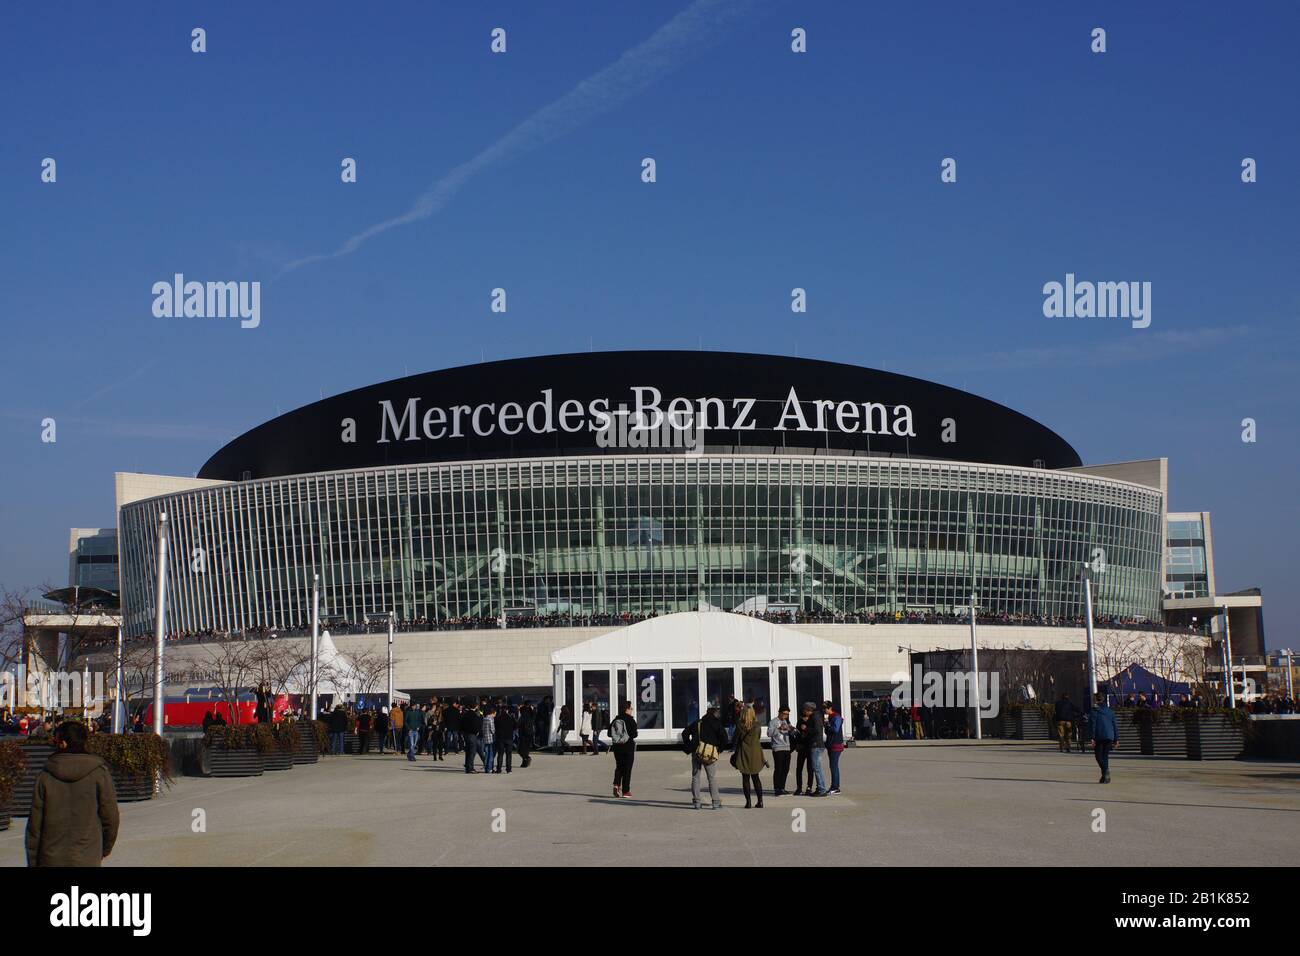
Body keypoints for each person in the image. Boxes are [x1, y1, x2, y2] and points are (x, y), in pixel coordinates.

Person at [25, 721, 120, 867]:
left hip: (50, 857)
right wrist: (103, 849)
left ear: (62, 743)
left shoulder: (45, 776)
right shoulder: (99, 773)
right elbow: (110, 817)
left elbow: (35, 825)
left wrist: (33, 860)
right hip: (87, 856)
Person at [681, 702, 727, 809]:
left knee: (696, 777)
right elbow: (724, 738)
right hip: (710, 754)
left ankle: (697, 802)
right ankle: (715, 802)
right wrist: (719, 750)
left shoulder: (698, 722)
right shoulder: (717, 724)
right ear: (715, 714)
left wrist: (689, 745)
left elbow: (685, 733)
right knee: (712, 778)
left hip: (697, 752)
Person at [732, 701, 765, 808]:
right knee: (756, 777)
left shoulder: (740, 725)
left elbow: (735, 739)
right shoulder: (757, 726)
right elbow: (758, 737)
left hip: (744, 752)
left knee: (745, 778)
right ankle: (760, 801)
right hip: (755, 752)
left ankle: (748, 802)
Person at [608, 700, 638, 797]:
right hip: (628, 747)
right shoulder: (630, 720)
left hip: (617, 747)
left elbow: (609, 733)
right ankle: (626, 791)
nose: (632, 710)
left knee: (619, 766)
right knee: (627, 769)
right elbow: (634, 734)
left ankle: (616, 784)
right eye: (631, 708)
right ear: (627, 709)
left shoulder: (615, 719)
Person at [1090, 693, 1119, 784]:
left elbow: (1092, 725)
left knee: (1098, 757)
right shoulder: (1110, 711)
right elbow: (1114, 725)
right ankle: (1104, 777)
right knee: (1105, 756)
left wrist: (1092, 737)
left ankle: (1106, 771)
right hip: (1110, 736)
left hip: (1099, 736)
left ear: (1096, 700)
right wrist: (1116, 739)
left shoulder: (1094, 711)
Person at [805, 700, 828, 796]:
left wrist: (806, 728)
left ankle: (822, 789)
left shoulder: (814, 716)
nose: (804, 712)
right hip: (818, 744)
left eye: (805, 710)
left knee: (817, 767)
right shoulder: (817, 716)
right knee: (817, 767)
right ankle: (820, 787)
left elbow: (817, 730)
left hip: (816, 745)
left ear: (809, 709)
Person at [768, 706, 793, 795]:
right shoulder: (773, 722)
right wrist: (779, 729)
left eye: (787, 714)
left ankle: (782, 787)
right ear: (780, 712)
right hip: (778, 748)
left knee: (786, 769)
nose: (786, 716)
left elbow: (790, 732)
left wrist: (791, 730)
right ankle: (777, 788)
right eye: (785, 714)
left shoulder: (786, 721)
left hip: (787, 747)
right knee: (778, 768)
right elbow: (769, 733)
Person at [823, 700, 845, 795]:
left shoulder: (836, 717)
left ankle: (835, 787)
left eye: (825, 708)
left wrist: (827, 725)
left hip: (836, 744)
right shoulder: (831, 717)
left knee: (834, 766)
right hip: (831, 744)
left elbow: (835, 729)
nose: (824, 710)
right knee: (833, 766)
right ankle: (834, 786)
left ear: (830, 708)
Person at [462, 701, 483, 774]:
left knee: (467, 751)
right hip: (472, 735)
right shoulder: (475, 715)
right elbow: (477, 725)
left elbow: (462, 724)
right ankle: (470, 768)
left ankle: (467, 767)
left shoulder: (465, 714)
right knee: (472, 752)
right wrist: (477, 732)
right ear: (476, 706)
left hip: (466, 734)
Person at [517, 701, 535, 768]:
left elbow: (518, 724)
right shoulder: (531, 714)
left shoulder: (523, 715)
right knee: (526, 749)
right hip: (529, 733)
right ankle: (525, 761)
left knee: (520, 749)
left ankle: (526, 759)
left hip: (523, 733)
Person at [481, 706, 497, 773]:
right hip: (491, 738)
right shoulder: (491, 719)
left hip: (485, 737)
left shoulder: (484, 718)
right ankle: (489, 768)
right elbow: (492, 730)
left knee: (487, 754)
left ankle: (486, 768)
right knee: (491, 754)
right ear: (492, 713)